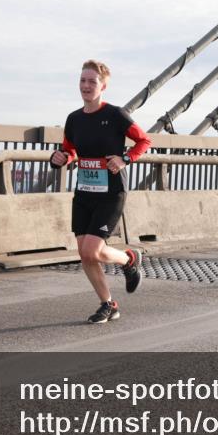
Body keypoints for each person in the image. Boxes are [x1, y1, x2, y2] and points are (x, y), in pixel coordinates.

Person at [50, 60, 152, 324]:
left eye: (92, 81)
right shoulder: (74, 119)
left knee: (94, 250)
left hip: (111, 192)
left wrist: (125, 159)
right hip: (84, 191)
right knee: (84, 252)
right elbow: (70, 149)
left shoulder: (116, 115)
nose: (86, 86)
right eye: (82, 81)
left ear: (103, 85)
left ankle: (129, 259)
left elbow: (144, 141)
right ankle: (108, 304)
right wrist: (62, 157)